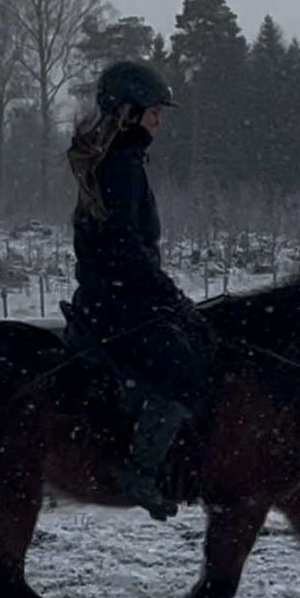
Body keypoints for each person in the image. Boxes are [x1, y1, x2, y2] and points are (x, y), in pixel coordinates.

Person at [63, 60, 214, 521]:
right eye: (153, 110)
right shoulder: (122, 165)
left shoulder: (118, 160)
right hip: (119, 306)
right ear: (128, 112)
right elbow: (126, 248)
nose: (158, 119)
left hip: (114, 299)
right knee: (187, 371)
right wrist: (171, 298)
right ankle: (141, 470)